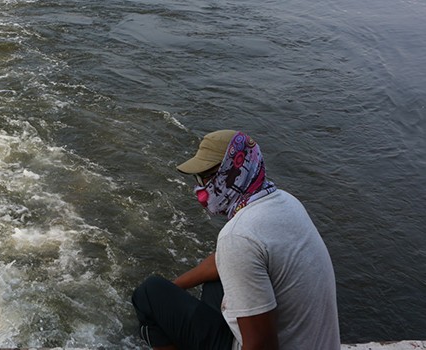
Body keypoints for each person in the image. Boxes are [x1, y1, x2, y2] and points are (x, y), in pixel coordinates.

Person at [132, 130, 340, 350]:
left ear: (234, 171)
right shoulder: (285, 201)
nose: (201, 188)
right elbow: (222, 261)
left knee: (148, 294)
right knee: (214, 284)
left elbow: (263, 346)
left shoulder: (238, 235)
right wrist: (173, 289)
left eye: (207, 177)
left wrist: (162, 303)